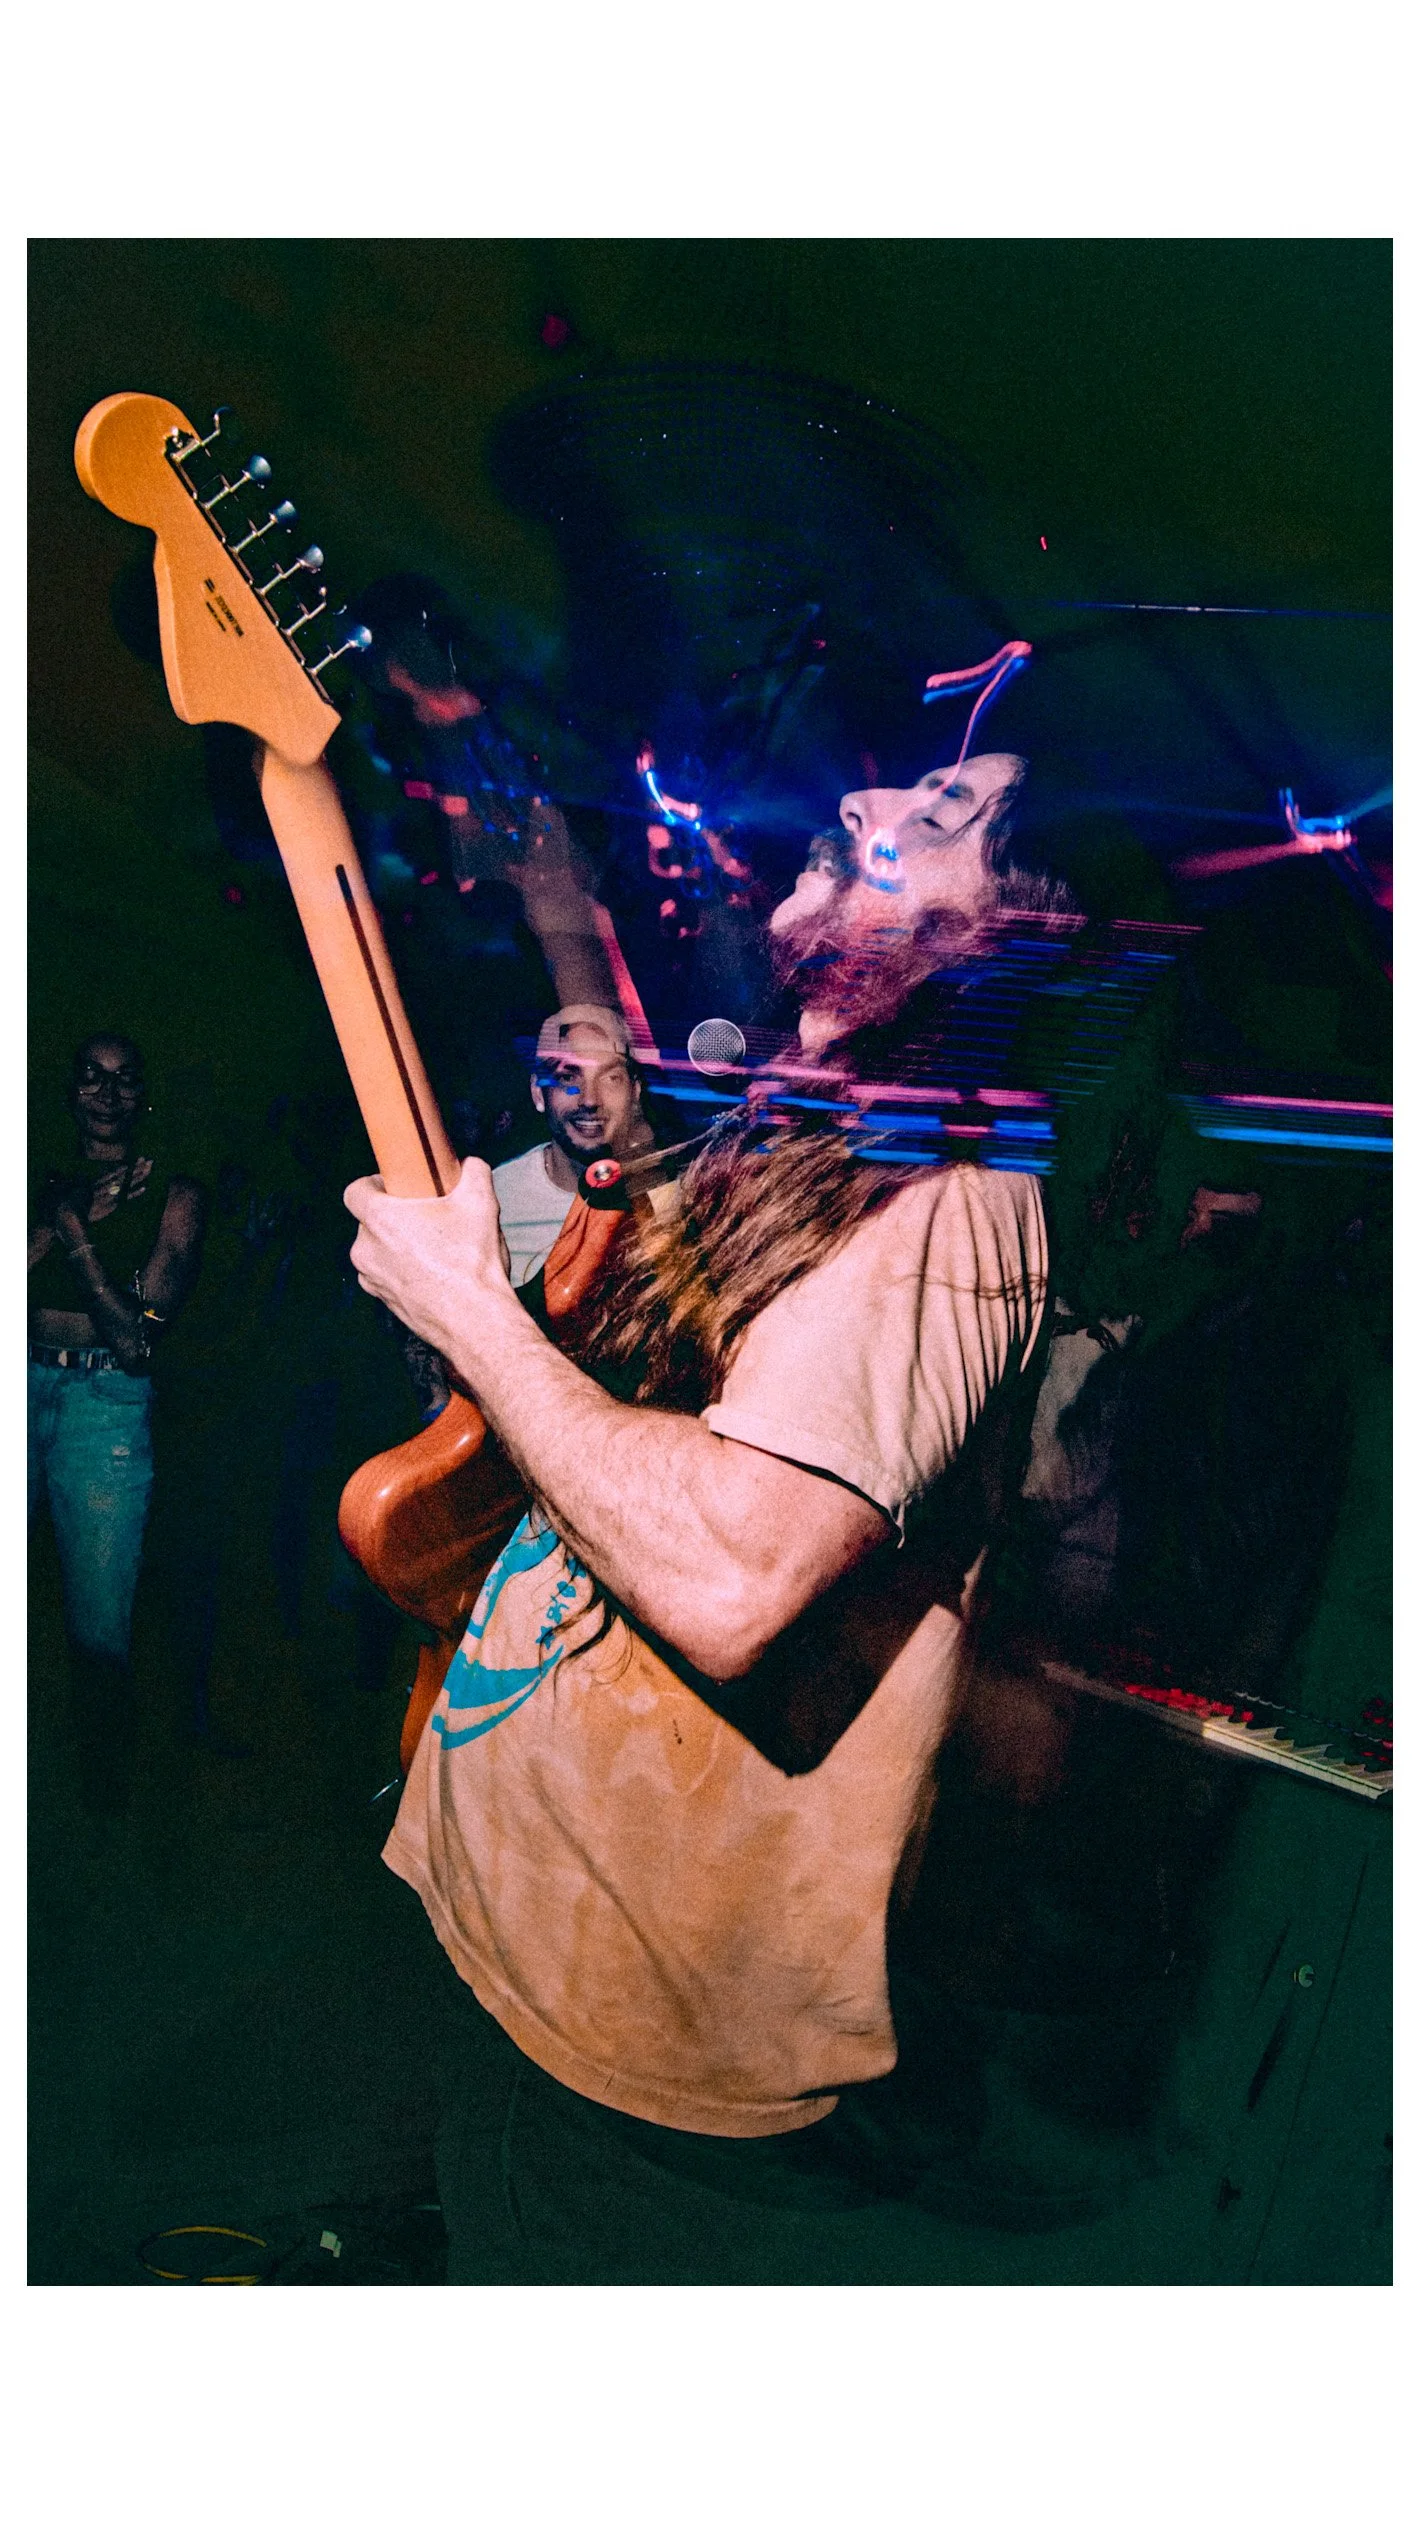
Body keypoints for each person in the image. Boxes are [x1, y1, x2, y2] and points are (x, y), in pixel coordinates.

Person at [346, 751, 1058, 2281]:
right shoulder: (802, 1118)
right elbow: (680, 1374)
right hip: (525, 1929)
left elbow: (736, 1574)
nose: (866, 809)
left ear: (1014, 939)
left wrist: (475, 1317)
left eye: (948, 824)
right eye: (885, 794)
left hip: (648, 2061)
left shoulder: (960, 1203)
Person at [29, 1034, 205, 1810]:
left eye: (125, 1081)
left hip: (105, 1407)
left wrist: (75, 1239)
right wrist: (57, 1213)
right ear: (68, 1091)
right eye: (91, 1078)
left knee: (100, 1619)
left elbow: (137, 1341)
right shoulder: (33, 1172)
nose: (106, 1094)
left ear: (145, 1097)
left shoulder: (177, 1192)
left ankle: (106, 1806)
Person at [490, 1003, 652, 1288]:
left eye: (611, 1078)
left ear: (634, 1093)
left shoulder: (667, 1190)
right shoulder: (495, 1202)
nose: (590, 1100)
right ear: (538, 1093)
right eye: (568, 1077)